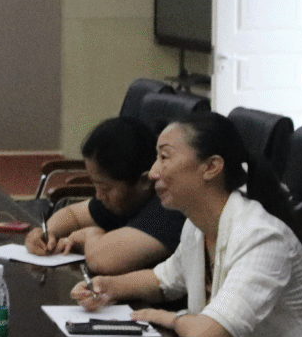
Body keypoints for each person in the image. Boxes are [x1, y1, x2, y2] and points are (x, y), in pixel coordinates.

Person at [72, 110, 302, 337]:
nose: (152, 173)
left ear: (211, 167)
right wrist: (107, 287)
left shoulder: (261, 238)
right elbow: (164, 280)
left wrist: (168, 318)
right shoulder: (198, 227)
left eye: (164, 158)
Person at [25, 116, 187, 273]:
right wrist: (47, 235)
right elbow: (73, 214)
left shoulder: (171, 206)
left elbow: (102, 260)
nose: (99, 195)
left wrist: (90, 235)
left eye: (105, 187)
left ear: (144, 181)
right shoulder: (125, 199)